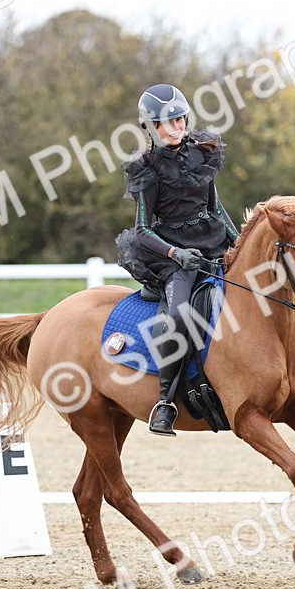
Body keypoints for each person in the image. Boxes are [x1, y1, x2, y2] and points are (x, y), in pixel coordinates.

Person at [116, 83, 239, 437]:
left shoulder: (204, 153)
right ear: (150, 128)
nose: (174, 127)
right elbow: (141, 230)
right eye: (165, 123)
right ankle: (165, 401)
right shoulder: (147, 170)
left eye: (179, 119)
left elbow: (215, 208)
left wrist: (239, 244)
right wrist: (175, 253)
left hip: (213, 244)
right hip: (173, 257)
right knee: (178, 313)